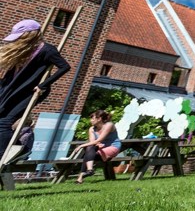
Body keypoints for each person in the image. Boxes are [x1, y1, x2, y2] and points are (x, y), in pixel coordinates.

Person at [0, 19, 71, 156]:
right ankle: (19, 147)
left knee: (4, 122)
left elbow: (64, 67)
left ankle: (3, 155)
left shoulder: (47, 50)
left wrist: (43, 85)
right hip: (12, 89)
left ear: (29, 34)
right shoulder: (25, 50)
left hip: (28, 92)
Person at [75, 109, 121, 183]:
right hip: (100, 148)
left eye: (92, 118)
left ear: (99, 119)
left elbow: (98, 140)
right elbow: (93, 142)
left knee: (88, 154)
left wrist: (81, 146)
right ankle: (89, 170)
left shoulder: (109, 125)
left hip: (112, 147)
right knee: (89, 150)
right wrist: (97, 144)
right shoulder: (92, 129)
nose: (91, 120)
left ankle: (82, 176)